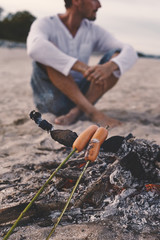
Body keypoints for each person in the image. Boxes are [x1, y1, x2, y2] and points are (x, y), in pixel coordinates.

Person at [27, 0, 137, 127]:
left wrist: (109, 66)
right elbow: (35, 47)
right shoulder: (46, 23)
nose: (99, 5)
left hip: (84, 98)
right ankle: (91, 112)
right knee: (47, 52)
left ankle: (78, 112)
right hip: (52, 100)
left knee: (116, 56)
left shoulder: (93, 30)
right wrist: (82, 67)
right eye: (95, 0)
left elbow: (129, 51)